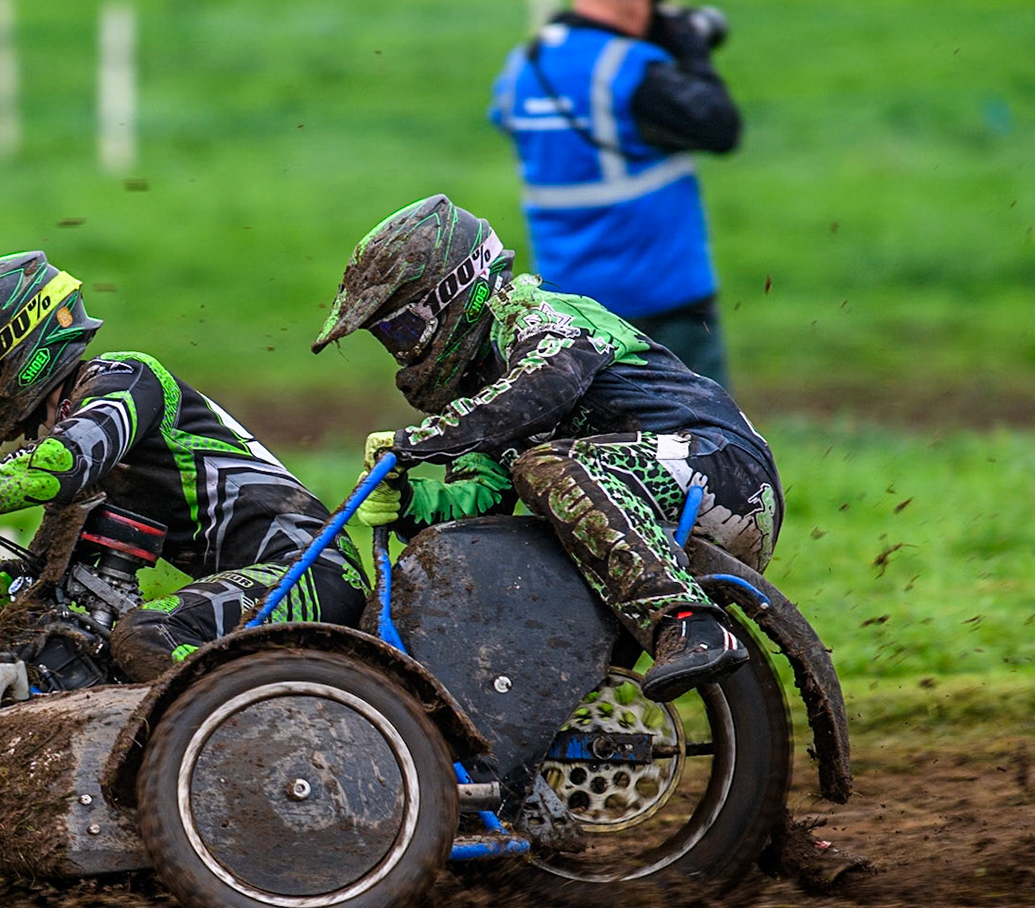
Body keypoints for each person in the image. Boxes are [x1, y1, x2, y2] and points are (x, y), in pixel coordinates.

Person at [314, 194, 780, 702]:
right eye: (387, 339)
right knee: (487, 551)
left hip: (720, 470)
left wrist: (422, 440)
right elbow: (482, 499)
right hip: (634, 504)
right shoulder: (482, 393)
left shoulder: (536, 311)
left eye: (403, 330)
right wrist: (410, 502)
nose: (402, 351)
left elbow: (546, 385)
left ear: (457, 289)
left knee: (546, 466)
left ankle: (693, 624)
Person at [0, 250, 367, 682]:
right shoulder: (76, 444)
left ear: (20, 344)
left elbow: (58, 466)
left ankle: (225, 752)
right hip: (268, 581)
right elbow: (25, 592)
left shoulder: (125, 379)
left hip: (313, 573)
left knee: (148, 635)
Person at [489, 0, 741, 388]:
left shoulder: (521, 69)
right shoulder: (631, 69)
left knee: (596, 443)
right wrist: (691, 52)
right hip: (664, 296)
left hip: (570, 305)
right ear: (641, 2)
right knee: (705, 438)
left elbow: (505, 119)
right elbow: (720, 128)